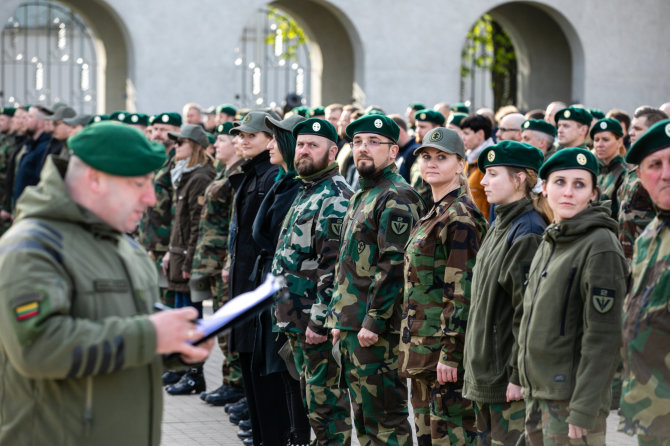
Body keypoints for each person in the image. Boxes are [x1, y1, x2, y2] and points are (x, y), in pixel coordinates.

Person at [0, 121, 214, 444]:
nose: (151, 198)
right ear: (95, 179)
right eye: (138, 183)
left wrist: (176, 344)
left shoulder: (123, 245)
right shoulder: (33, 247)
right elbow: (38, 347)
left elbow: (123, 328)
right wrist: (152, 336)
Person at [325, 114, 425, 446]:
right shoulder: (363, 194)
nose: (363, 149)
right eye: (357, 143)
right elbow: (349, 263)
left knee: (386, 422)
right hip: (355, 325)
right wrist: (339, 317)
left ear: (393, 150)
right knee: (364, 419)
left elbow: (394, 265)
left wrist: (374, 319)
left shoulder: (398, 195)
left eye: (372, 142)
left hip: (377, 331)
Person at [518, 148, 628, 445]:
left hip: (571, 404)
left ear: (593, 193)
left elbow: (603, 338)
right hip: (539, 394)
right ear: (545, 187)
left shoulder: (600, 246)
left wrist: (584, 409)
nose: (568, 192)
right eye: (560, 182)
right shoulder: (553, 237)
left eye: (579, 184)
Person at [399, 127, 488, 446]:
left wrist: (451, 354)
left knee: (451, 437)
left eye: (442, 157)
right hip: (424, 352)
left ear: (460, 165)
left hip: (443, 357)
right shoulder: (436, 212)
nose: (431, 163)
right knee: (429, 437)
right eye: (426, 156)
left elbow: (461, 292)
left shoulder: (459, 217)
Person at [272, 118, 354, 446]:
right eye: (301, 144)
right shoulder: (309, 188)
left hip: (313, 323)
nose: (304, 151)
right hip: (295, 317)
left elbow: (332, 267)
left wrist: (320, 322)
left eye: (313, 146)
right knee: (313, 406)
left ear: (333, 151)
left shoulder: (334, 196)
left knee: (327, 411)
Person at [463, 141, 548, 445]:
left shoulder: (527, 232)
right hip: (487, 373)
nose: (483, 181)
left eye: (493, 174)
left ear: (519, 179)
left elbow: (528, 313)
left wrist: (516, 375)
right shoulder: (502, 222)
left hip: (505, 382)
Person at [247, 113, 307, 445]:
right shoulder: (283, 181)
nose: (269, 144)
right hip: (270, 283)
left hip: (287, 292)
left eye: (275, 138)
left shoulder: (295, 185)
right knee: (274, 370)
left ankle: (291, 436)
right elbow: (259, 231)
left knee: (287, 372)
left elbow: (269, 235)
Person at [228, 111, 280, 446]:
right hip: (244, 282)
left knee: (262, 371)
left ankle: (268, 434)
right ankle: (260, 431)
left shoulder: (271, 174)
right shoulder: (251, 172)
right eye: (240, 136)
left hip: (257, 286)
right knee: (247, 363)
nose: (242, 141)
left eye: (251, 136)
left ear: (270, 139)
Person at [619, 119, 670, 445]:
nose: (666, 174)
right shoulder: (649, 236)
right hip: (650, 407)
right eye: (655, 164)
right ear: (641, 177)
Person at [191, 122, 245, 407]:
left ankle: (234, 383)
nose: (216, 145)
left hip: (221, 260)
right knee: (222, 325)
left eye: (222, 140)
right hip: (211, 260)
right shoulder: (226, 174)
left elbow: (234, 226)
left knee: (228, 325)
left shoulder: (238, 176)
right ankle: (230, 381)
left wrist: (228, 261)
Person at [161, 124, 216, 395]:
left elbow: (197, 225)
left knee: (191, 319)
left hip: (187, 258)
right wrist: (172, 252)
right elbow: (178, 223)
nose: (176, 147)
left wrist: (188, 261)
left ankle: (196, 375)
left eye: (180, 143)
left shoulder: (200, 177)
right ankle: (183, 370)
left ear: (193, 146)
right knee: (181, 317)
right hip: (179, 254)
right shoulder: (184, 175)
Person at [617, 107, 668, 260]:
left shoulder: (659, 176)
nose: (631, 133)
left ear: (652, 132)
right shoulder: (633, 170)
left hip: (655, 255)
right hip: (633, 257)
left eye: (637, 129)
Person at [591, 118, 628, 220]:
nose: (599, 144)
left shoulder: (625, 173)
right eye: (596, 140)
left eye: (605, 139)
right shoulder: (593, 170)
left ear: (619, 142)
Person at [461, 114, 495, 220]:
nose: (463, 138)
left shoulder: (490, 163)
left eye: (466, 133)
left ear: (480, 134)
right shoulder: (468, 159)